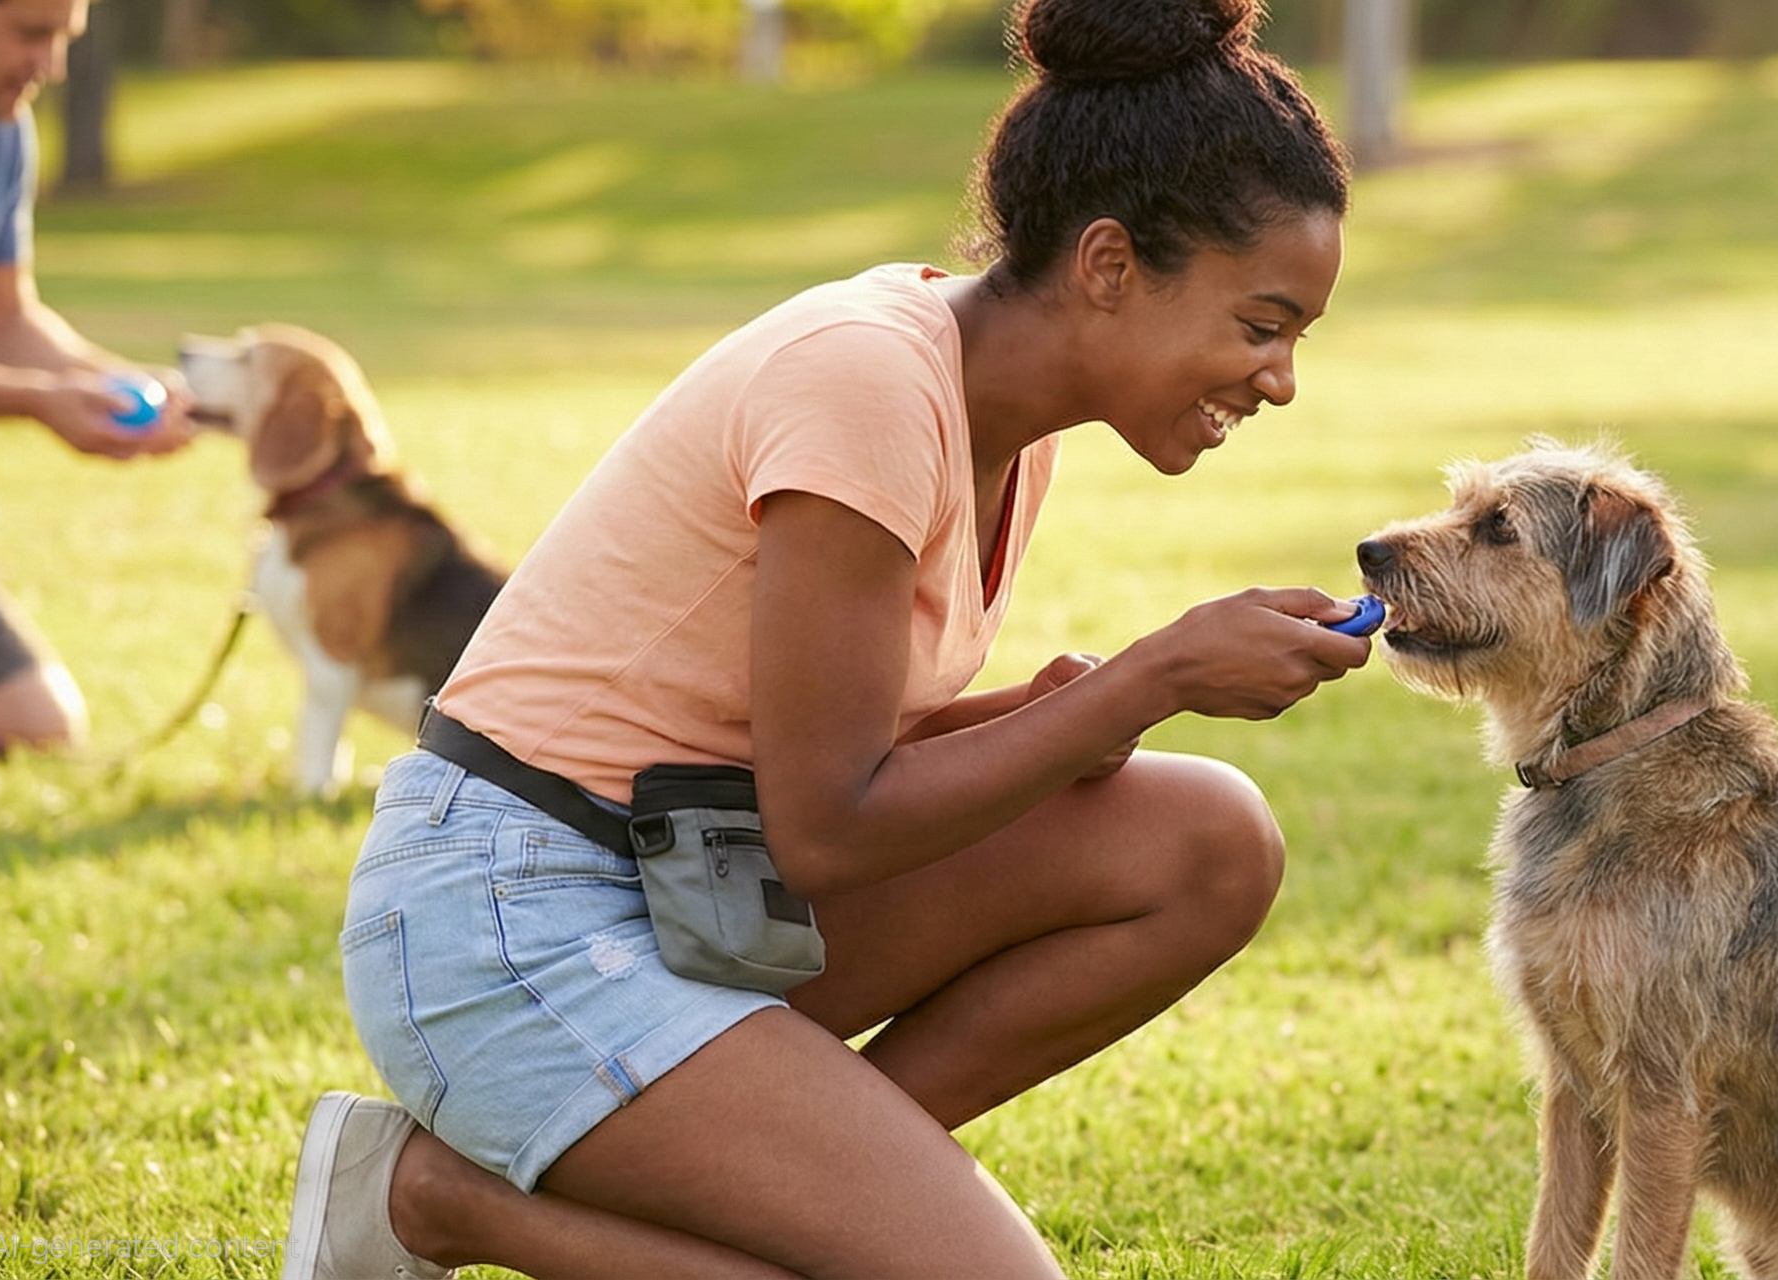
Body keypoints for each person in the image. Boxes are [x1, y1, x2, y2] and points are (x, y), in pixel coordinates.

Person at [276, 0, 1365, 1269]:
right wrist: (1146, 676)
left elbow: (811, 744)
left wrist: (1028, 717)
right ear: (1109, 266)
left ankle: (791, 1194)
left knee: (1207, 837)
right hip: (510, 914)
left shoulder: (1014, 421)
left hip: (694, 878)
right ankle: (430, 1198)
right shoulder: (866, 379)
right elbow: (830, 820)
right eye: (1261, 323)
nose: (1279, 378)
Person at [0, 0, 195, 758]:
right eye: (31, 35)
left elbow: (2, 317)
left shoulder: (1, 132)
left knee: (38, 724)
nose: (51, 67)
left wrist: (116, 383)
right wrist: (42, 404)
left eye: (63, 39)